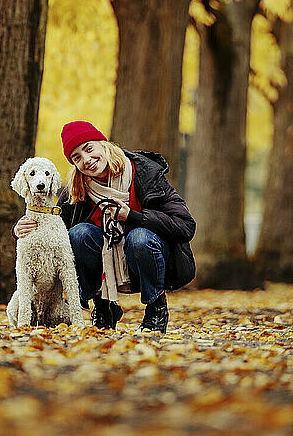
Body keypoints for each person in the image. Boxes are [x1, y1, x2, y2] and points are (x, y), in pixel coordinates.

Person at [13, 121, 196, 333]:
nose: (87, 160)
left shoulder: (145, 173)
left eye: (89, 149)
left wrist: (134, 216)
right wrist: (20, 228)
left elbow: (185, 225)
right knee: (79, 234)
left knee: (140, 237)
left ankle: (156, 309)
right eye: (77, 157)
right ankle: (102, 306)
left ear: (103, 144)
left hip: (146, 257)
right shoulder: (76, 188)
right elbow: (54, 227)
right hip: (103, 268)